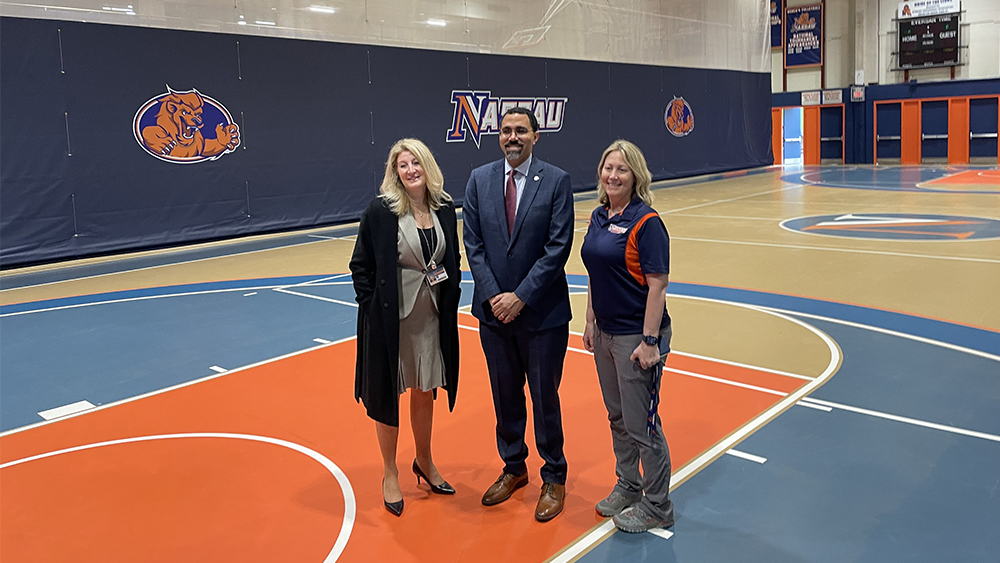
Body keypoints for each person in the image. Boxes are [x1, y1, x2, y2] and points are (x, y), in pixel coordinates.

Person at [463, 107, 574, 522]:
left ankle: (554, 475)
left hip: (542, 316)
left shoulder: (557, 181)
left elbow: (557, 248)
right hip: (493, 316)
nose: (513, 137)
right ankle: (513, 468)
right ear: (499, 136)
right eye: (506, 130)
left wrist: (520, 297)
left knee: (545, 398)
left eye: (521, 131)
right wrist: (495, 296)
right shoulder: (479, 179)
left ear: (535, 136)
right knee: (504, 396)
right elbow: (472, 243)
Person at [350, 138, 462, 517]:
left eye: (416, 162)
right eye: (403, 165)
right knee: (387, 393)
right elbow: (360, 266)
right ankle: (389, 472)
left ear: (427, 166)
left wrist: (450, 299)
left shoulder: (444, 208)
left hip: (431, 316)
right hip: (390, 320)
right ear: (394, 172)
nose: (411, 170)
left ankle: (425, 461)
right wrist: (371, 309)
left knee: (424, 389)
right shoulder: (381, 212)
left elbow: (453, 260)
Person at [580, 140, 675, 533]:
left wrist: (650, 342)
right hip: (604, 332)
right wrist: (589, 321)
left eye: (621, 169)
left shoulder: (646, 222)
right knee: (617, 417)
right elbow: (594, 274)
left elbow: (658, 285)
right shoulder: (598, 217)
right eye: (608, 168)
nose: (613, 175)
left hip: (636, 338)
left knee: (642, 424)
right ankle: (629, 484)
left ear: (636, 175)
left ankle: (657, 504)